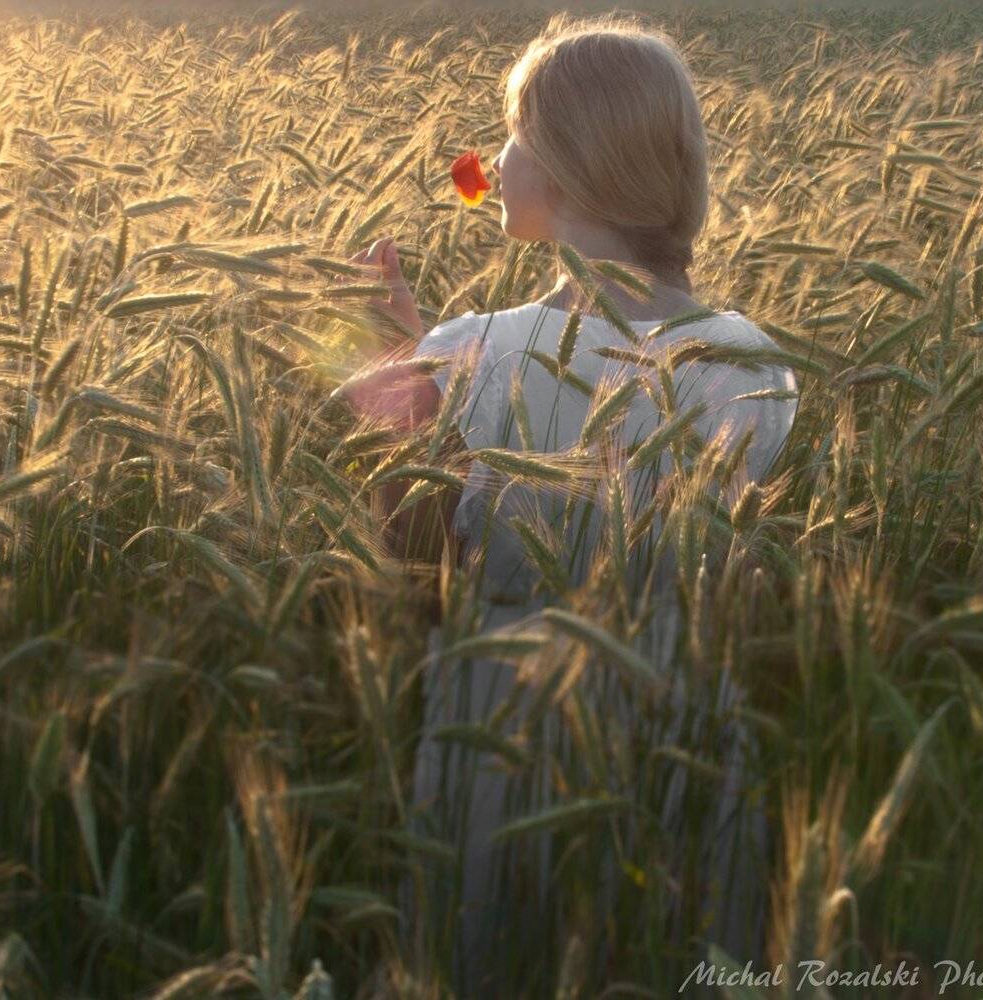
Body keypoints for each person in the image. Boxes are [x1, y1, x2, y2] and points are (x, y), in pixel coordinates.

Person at [336, 14, 798, 997]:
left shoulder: (477, 346)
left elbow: (415, 559)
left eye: (512, 132)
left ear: (567, 165)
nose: (490, 160)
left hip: (499, 735)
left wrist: (397, 367)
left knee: (496, 960)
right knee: (660, 951)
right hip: (678, 723)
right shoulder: (754, 360)